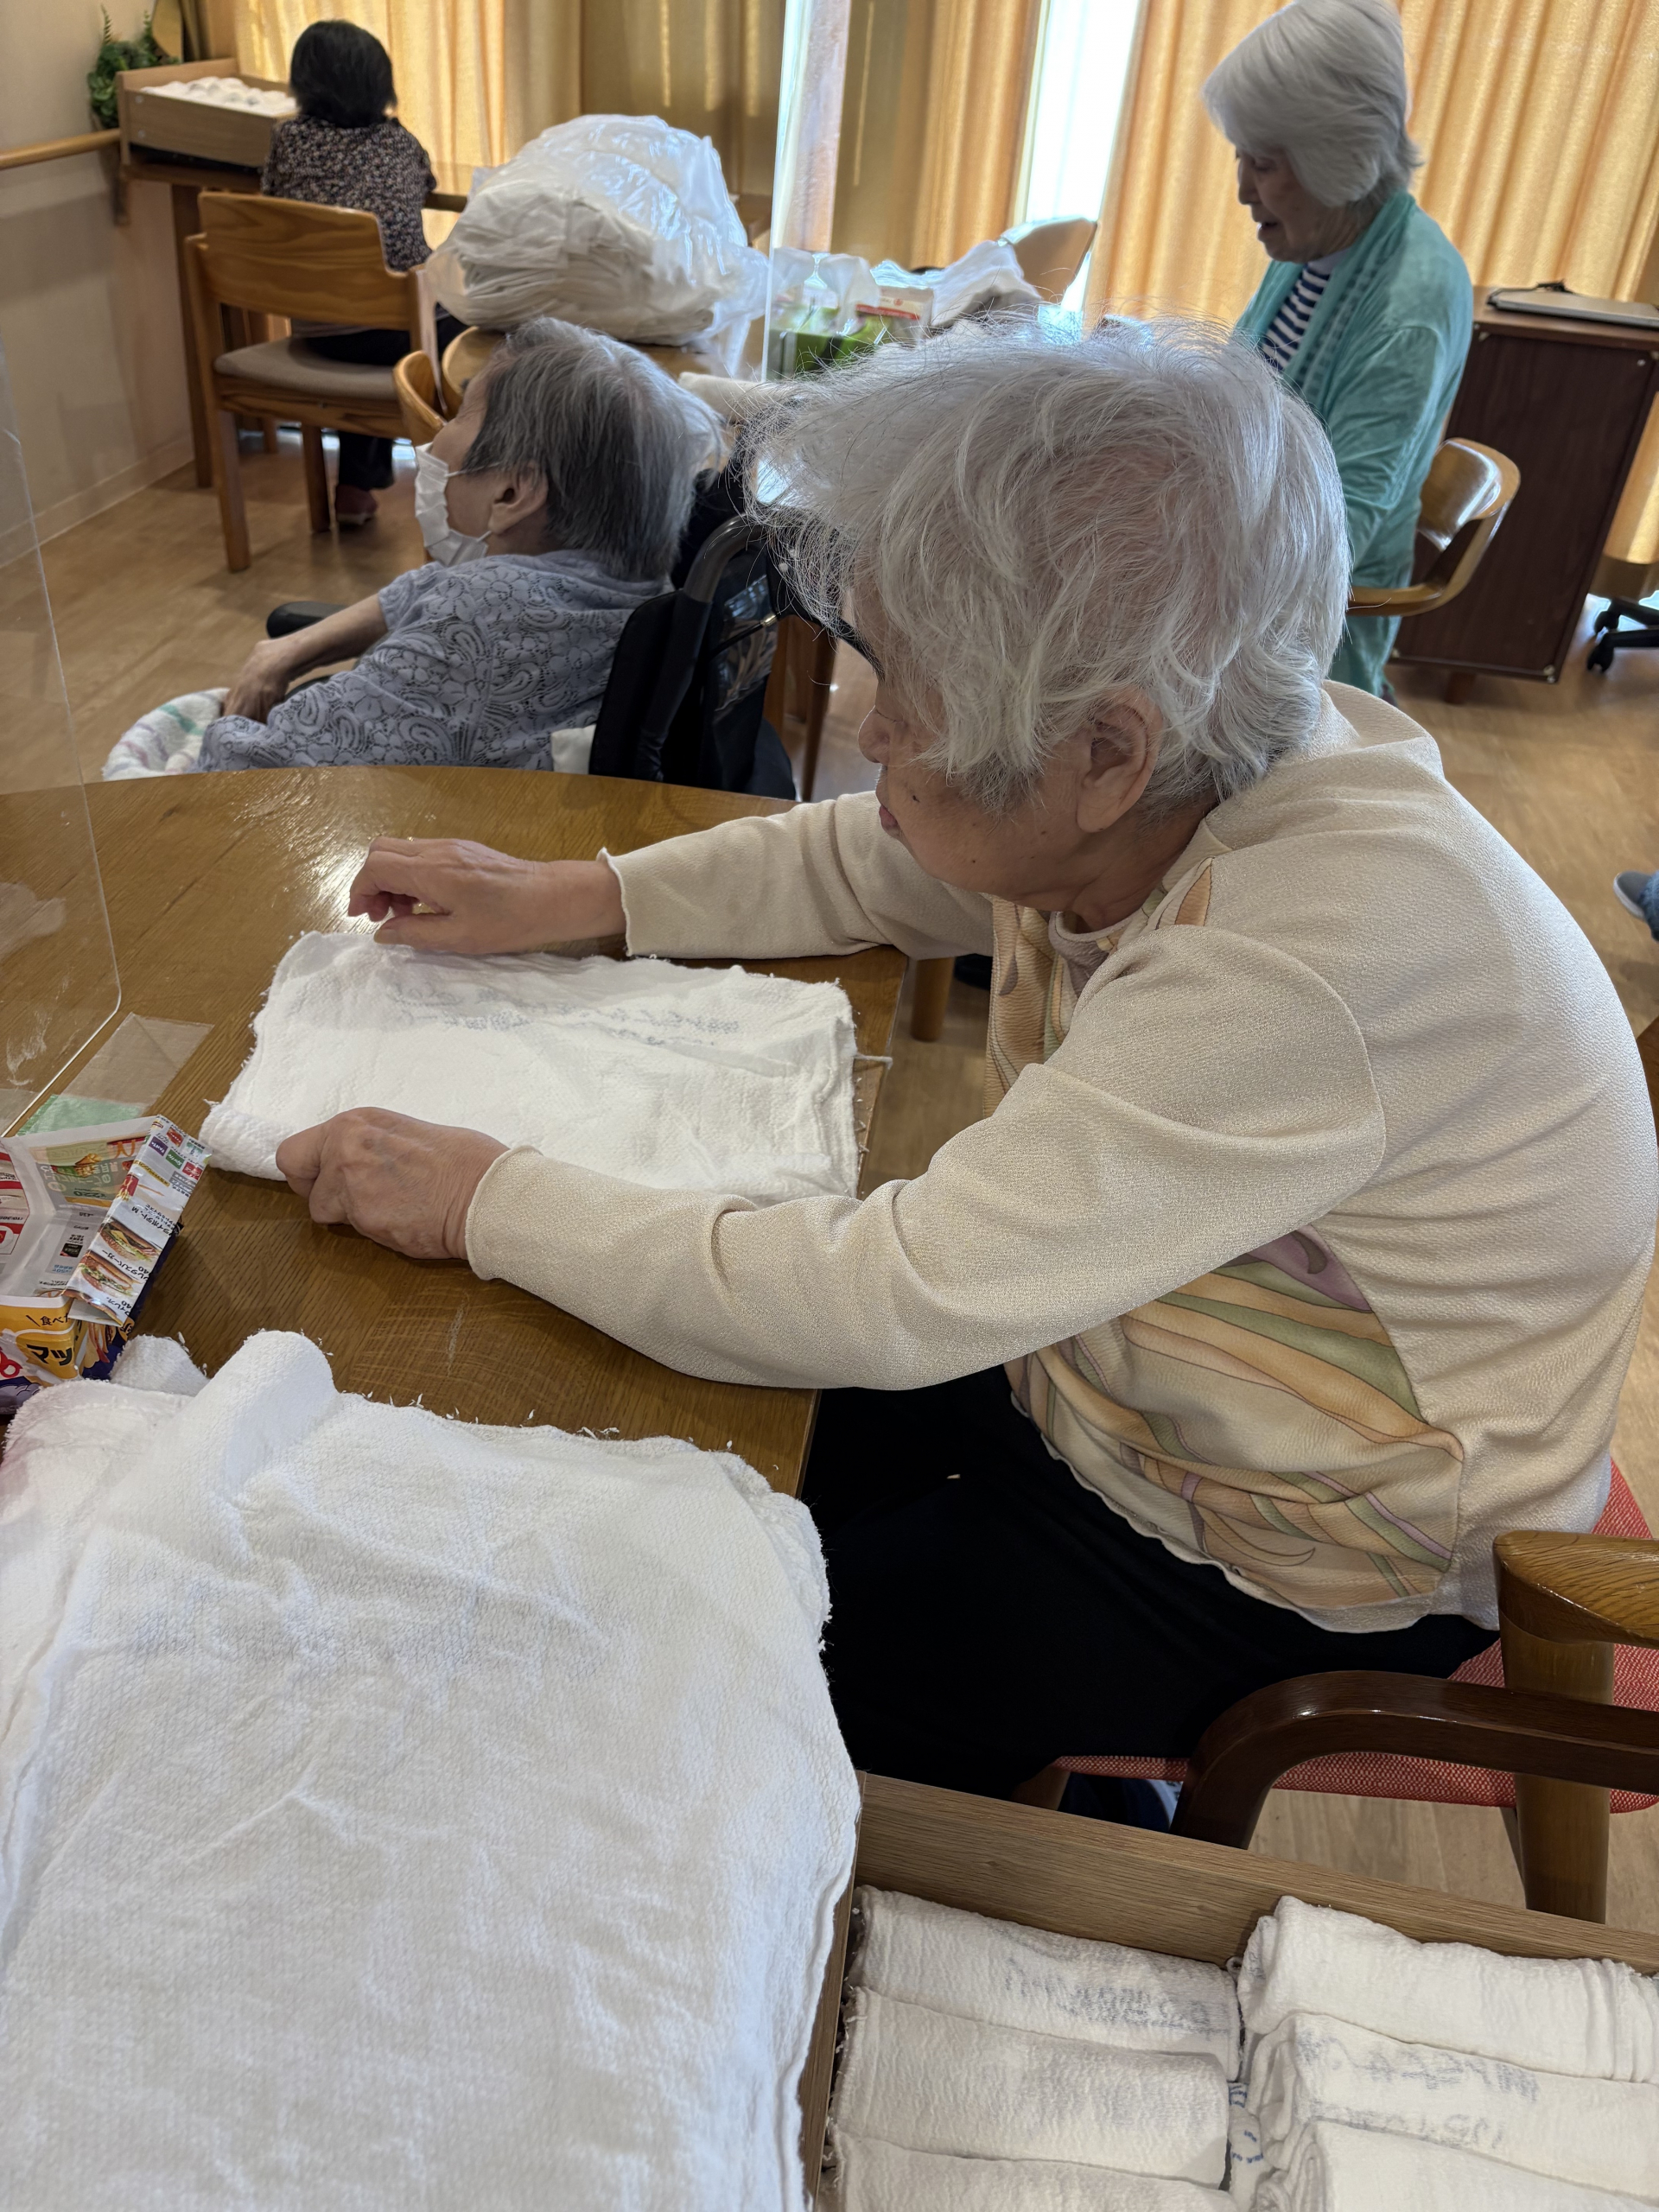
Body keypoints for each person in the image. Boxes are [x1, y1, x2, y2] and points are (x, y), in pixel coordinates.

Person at [264, 326, 1653, 1804]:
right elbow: (880, 858)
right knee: (655, 1447)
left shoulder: (1303, 963)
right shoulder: (1194, 756)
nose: (869, 730)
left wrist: (481, 1195)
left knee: (702, 1659)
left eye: (906, 696)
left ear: (1107, 754)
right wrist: (572, 897)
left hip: (1295, 1542)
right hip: (1118, 1366)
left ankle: (1056, 1821)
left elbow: (891, 1296)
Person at [107, 320, 715, 776]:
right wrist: (284, 652)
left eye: (459, 416)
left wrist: (224, 726)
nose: (438, 437)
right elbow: (428, 588)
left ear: (511, 492)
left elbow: (251, 769)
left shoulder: (475, 624)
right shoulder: (622, 582)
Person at [1204, 0, 1471, 694]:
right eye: (1241, 156)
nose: (1242, 189)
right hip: (1245, 558)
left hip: (1306, 634)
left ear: (1337, 161)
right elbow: (1240, 394)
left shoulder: (1409, 307)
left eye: (1263, 164)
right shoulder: (1318, 243)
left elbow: (1331, 541)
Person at [261, 22, 458, 529]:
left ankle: (353, 490)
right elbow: (426, 182)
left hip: (318, 329)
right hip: (397, 330)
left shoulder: (287, 140)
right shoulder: (397, 145)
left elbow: (269, 196)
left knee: (368, 307)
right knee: (482, 328)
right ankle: (469, 484)